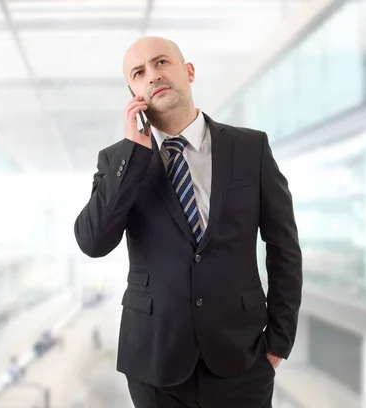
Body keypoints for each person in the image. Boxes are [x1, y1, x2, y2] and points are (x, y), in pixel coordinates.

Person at [73, 36, 302, 408]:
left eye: (162, 62)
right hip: (154, 362)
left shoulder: (250, 148)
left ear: (188, 71)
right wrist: (132, 152)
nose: (152, 75)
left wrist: (279, 339)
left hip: (241, 358)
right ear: (133, 91)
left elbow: (284, 246)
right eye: (139, 72)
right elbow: (92, 242)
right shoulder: (118, 160)